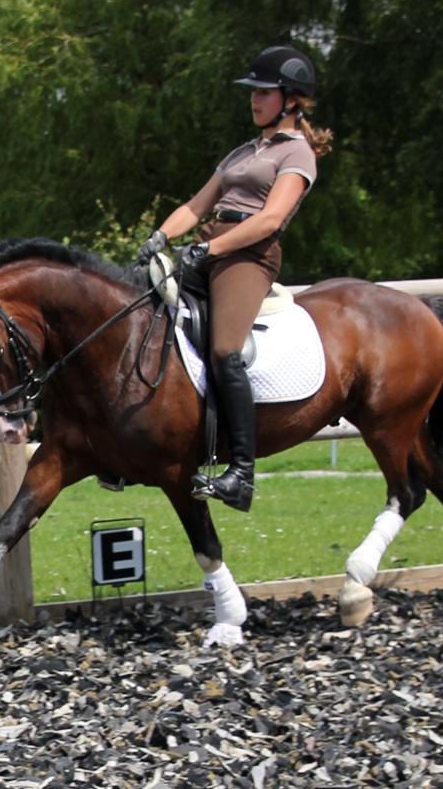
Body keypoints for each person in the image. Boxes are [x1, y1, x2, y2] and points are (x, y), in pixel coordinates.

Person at [138, 45, 333, 512]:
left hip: (247, 256)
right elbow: (195, 205)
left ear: (289, 98)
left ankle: (242, 473)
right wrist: (161, 236)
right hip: (204, 246)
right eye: (252, 92)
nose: (253, 100)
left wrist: (210, 249)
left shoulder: (298, 153)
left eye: (263, 92)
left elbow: (270, 220)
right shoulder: (243, 152)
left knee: (226, 350)